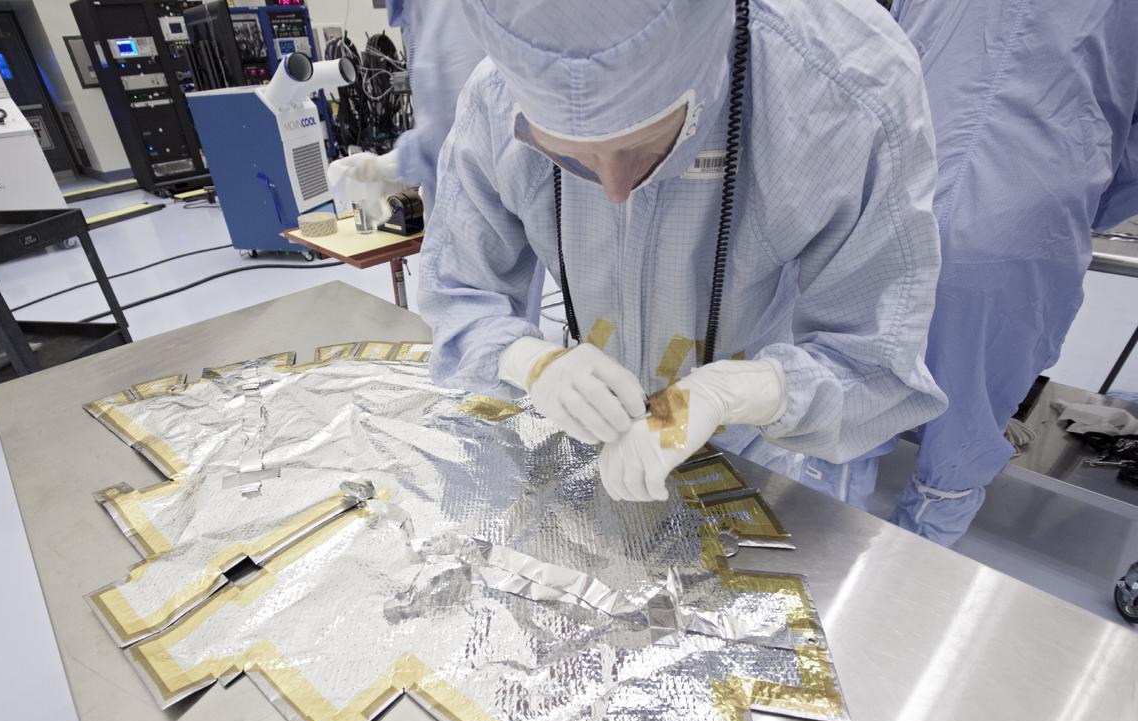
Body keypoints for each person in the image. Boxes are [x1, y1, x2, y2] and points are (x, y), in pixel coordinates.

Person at [417, 0, 947, 502]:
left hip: (755, 442)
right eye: (571, 159)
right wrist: (531, 362)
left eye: (645, 148)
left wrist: (735, 394)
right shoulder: (494, 98)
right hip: (590, 433)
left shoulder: (844, 94)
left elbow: (874, 362)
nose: (615, 191)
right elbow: (457, 289)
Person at [806, 0, 1138, 544]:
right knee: (965, 428)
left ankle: (826, 560)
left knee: (853, 396)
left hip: (892, 188)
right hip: (1024, 214)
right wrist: (1075, 195)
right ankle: (911, 566)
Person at [327, 0, 487, 218]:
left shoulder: (445, 10)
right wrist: (386, 166)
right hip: (460, 211)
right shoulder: (417, 11)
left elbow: (465, 131)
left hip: (478, 214)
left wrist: (390, 165)